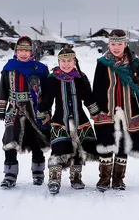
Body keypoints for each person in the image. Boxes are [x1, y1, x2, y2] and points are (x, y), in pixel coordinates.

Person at [92, 29, 139, 192]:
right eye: (113, 44)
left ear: (125, 44)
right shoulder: (103, 62)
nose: (116, 47)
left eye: (119, 44)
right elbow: (96, 87)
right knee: (106, 144)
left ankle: (118, 179)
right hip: (106, 112)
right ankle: (104, 178)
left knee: (123, 145)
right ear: (108, 44)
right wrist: (95, 110)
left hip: (128, 111)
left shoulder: (133, 63)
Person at [42, 48, 100, 194]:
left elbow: (88, 97)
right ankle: (54, 178)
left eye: (69, 61)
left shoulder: (80, 77)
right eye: (63, 61)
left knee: (78, 149)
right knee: (59, 148)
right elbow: (47, 98)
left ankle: (76, 177)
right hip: (60, 120)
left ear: (74, 62)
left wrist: (95, 112)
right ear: (58, 62)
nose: (66, 64)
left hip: (80, 120)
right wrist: (43, 113)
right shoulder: (52, 78)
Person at [0, 35, 51, 188]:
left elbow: (47, 92)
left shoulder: (40, 69)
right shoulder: (9, 69)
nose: (23, 54)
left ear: (32, 51)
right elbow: (3, 90)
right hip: (14, 109)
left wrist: (46, 110)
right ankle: (10, 175)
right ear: (16, 51)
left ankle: (38, 173)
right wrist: (2, 110)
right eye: (20, 50)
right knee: (10, 141)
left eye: (26, 50)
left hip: (35, 109)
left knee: (37, 140)